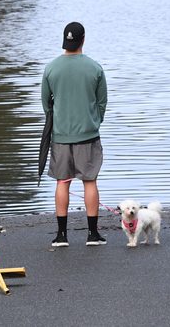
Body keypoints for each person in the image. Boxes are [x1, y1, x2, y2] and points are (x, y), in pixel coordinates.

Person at [42, 22, 108, 247]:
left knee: (62, 182)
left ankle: (61, 236)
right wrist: (94, 121)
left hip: (61, 135)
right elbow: (102, 103)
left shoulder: (51, 68)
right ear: (83, 39)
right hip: (88, 135)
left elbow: (46, 105)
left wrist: (59, 123)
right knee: (90, 181)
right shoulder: (95, 68)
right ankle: (92, 234)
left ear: (65, 40)